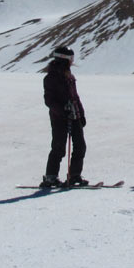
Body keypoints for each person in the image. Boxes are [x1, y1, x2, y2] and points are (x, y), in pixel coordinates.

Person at [41, 46, 88, 187]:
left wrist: (81, 113)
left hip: (74, 116)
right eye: (70, 59)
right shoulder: (51, 77)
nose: (72, 62)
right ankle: (51, 177)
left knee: (80, 146)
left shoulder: (69, 76)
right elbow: (49, 100)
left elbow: (75, 97)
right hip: (59, 118)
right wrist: (63, 111)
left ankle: (74, 176)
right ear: (64, 59)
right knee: (58, 147)